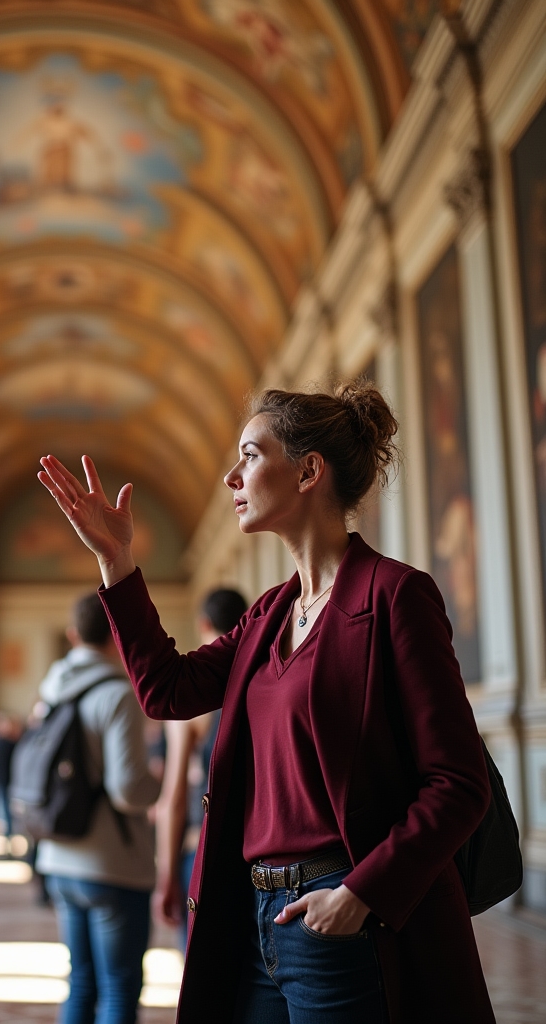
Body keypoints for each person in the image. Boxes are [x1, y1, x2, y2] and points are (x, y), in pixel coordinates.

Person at [38, 382, 494, 1024]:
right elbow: (166, 690)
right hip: (252, 917)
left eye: (251, 455)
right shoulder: (267, 615)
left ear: (309, 471)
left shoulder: (394, 597)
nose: (231, 476)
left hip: (339, 914)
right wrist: (116, 559)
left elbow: (458, 783)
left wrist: (360, 894)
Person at [36, 593, 161, 1024]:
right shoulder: (116, 693)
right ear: (117, 634)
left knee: (81, 981)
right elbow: (128, 790)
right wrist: (160, 783)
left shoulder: (51, 688)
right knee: (119, 987)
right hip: (113, 864)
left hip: (58, 856)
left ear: (74, 635)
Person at [153, 588, 246, 949]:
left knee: (203, 978)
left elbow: (174, 798)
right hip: (261, 852)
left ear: (203, 623)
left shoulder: (192, 692)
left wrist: (166, 878)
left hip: (204, 849)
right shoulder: (263, 676)